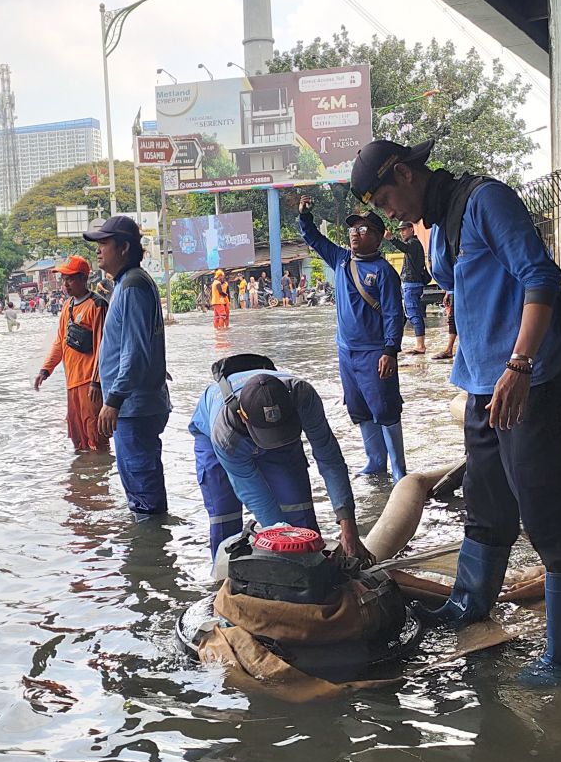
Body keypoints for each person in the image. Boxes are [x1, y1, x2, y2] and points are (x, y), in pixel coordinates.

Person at [350, 137, 561, 687]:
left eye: (386, 199)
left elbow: (540, 277)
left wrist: (520, 366)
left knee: (545, 513)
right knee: (487, 503)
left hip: (530, 381)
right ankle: (468, 604)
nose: (389, 215)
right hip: (482, 384)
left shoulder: (487, 201)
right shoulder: (439, 223)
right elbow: (463, 290)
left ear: (405, 174)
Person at [189, 355, 372, 563]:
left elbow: (330, 459)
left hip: (285, 436)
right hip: (222, 442)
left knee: (300, 517)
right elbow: (257, 497)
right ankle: (228, 582)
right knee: (226, 519)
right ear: (242, 415)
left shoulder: (303, 397)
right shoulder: (225, 434)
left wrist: (349, 528)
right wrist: (287, 547)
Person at [298, 196, 407, 481]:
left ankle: (399, 468)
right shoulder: (341, 260)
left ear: (378, 237)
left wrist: (390, 351)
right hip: (346, 351)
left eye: (362, 231)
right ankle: (375, 461)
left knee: (385, 407)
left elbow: (395, 314)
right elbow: (314, 239)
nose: (355, 235)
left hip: (375, 352)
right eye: (352, 231)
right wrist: (305, 217)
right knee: (358, 407)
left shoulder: (384, 272)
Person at [84, 215, 171, 520]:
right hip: (134, 404)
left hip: (134, 407)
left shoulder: (132, 285)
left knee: (144, 497)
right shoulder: (125, 283)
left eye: (103, 243)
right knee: (138, 489)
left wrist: (115, 399)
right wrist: (99, 384)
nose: (98, 250)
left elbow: (134, 352)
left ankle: (152, 560)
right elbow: (124, 345)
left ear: (123, 248)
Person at [35, 255, 108, 452]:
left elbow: (104, 346)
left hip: (89, 384)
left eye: (70, 278)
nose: (65, 284)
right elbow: (60, 341)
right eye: (63, 279)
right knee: (77, 439)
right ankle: (81, 480)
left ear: (84, 279)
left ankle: (99, 480)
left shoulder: (97, 305)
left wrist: (96, 381)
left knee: (96, 438)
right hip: (72, 383)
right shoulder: (67, 306)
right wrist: (45, 369)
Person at [387, 221, 431, 354]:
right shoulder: (413, 244)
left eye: (404, 230)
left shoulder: (413, 243)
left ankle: (420, 346)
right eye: (400, 230)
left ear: (412, 229)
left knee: (414, 314)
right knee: (404, 316)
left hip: (411, 285)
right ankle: (395, 344)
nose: (402, 233)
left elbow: (404, 248)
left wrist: (391, 238)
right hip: (409, 285)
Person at [434, 291, 458, 360]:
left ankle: (449, 349)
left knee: (453, 318)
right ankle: (450, 349)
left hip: (457, 290)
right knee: (454, 318)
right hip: (454, 290)